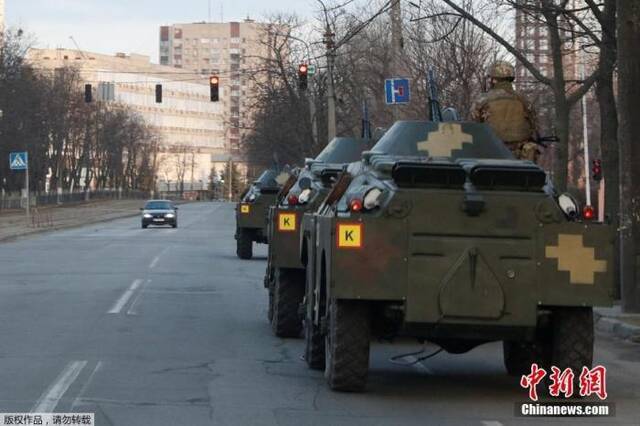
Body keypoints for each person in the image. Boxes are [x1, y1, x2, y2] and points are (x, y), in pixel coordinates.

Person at [471, 61, 540, 162]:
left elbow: (474, 127)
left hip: (491, 156)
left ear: (493, 80)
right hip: (521, 159)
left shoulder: (481, 100)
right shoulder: (524, 100)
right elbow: (534, 126)